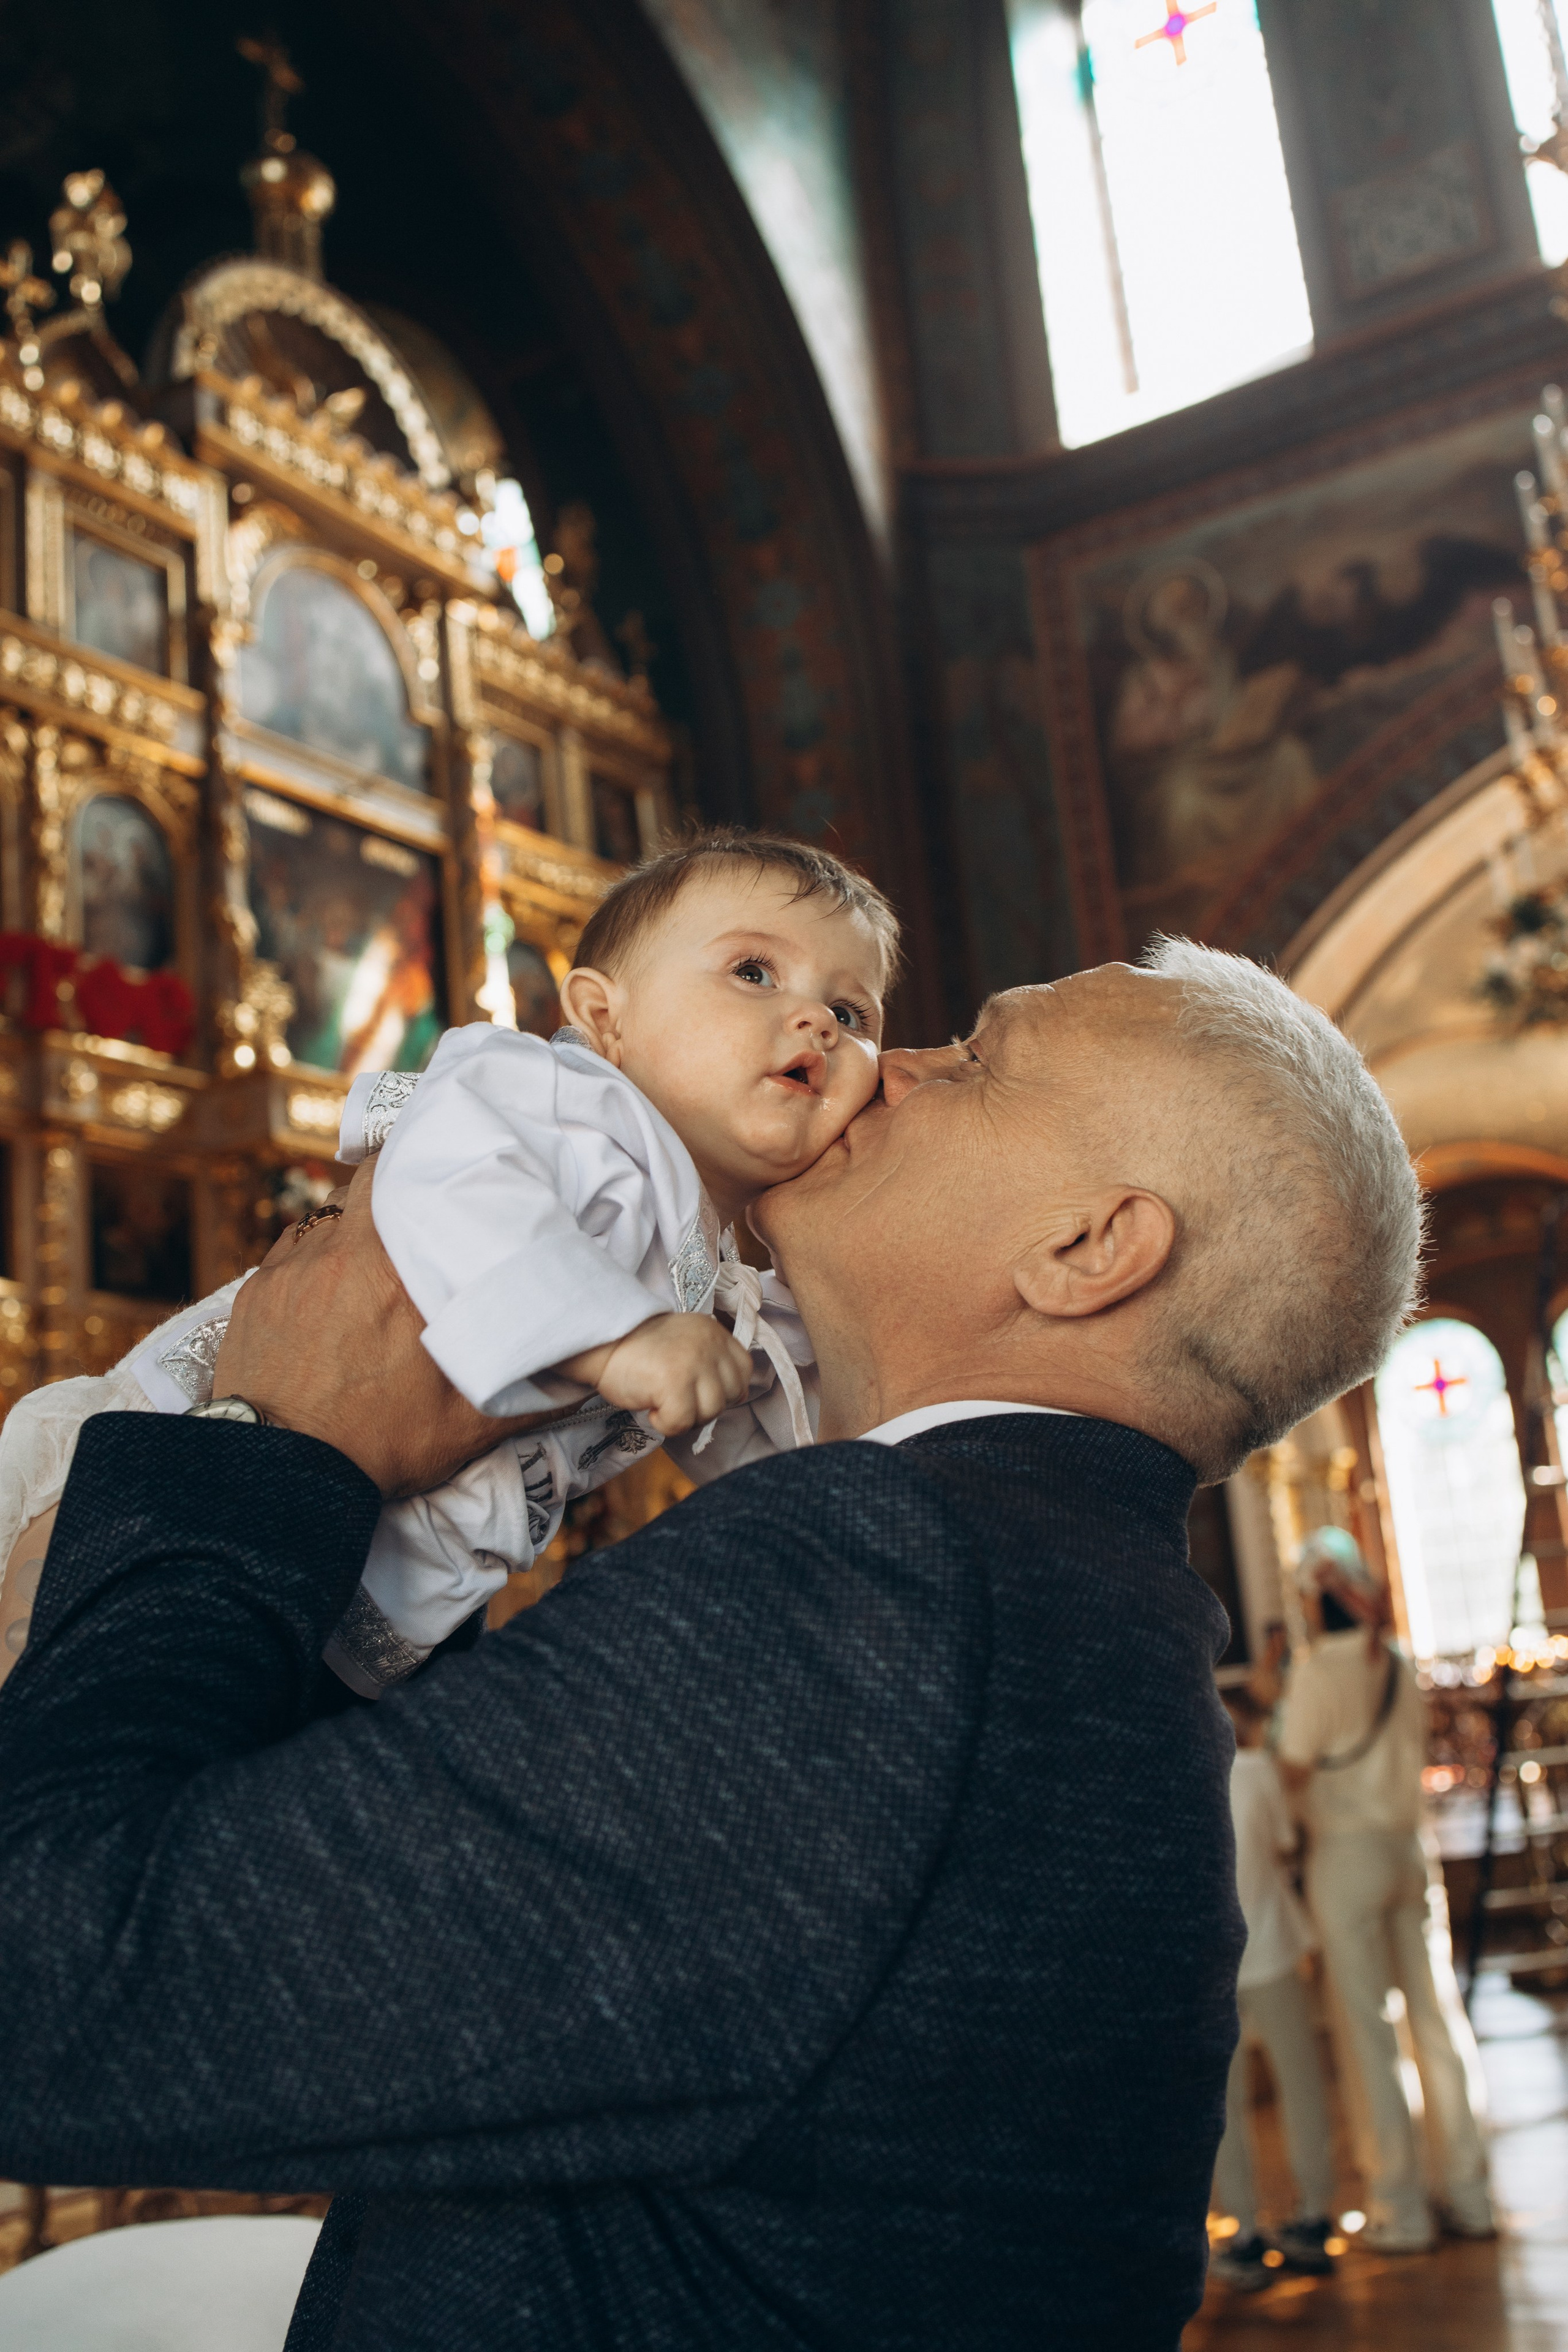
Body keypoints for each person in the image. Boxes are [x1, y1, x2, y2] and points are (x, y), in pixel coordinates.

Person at [0, 943, 1423, 2350]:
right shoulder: (1076, 1604)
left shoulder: (886, 1590)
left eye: (974, 1061)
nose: (886, 1060)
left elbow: (49, 1985)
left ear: (1082, 1248)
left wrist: (272, 1444)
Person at [0, 832, 894, 1695]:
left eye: (852, 1015)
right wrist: (620, 1339)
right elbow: (452, 1188)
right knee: (52, 1706)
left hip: (341, 1593)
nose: (815, 1019)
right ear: (601, 1016)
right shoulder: (553, 1095)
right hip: (178, 1467)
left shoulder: (720, 1270)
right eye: (753, 972)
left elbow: (749, 1426)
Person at [1278, 1527, 1493, 2253]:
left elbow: (1292, 1772)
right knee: (1437, 2021)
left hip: (1346, 1858)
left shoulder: (1316, 1674)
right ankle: (1468, 2192)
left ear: (1314, 1601)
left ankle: (1399, 2207)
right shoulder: (1396, 1662)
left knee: (1369, 2030)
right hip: (1410, 1852)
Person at [1207, 1684, 1337, 2291]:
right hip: (1277, 1947)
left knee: (1224, 2106)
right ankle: (1313, 2216)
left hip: (1215, 1964)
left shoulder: (1187, 1778)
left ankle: (1244, 2230)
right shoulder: (1258, 1772)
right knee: (1301, 2085)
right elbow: (1286, 1842)